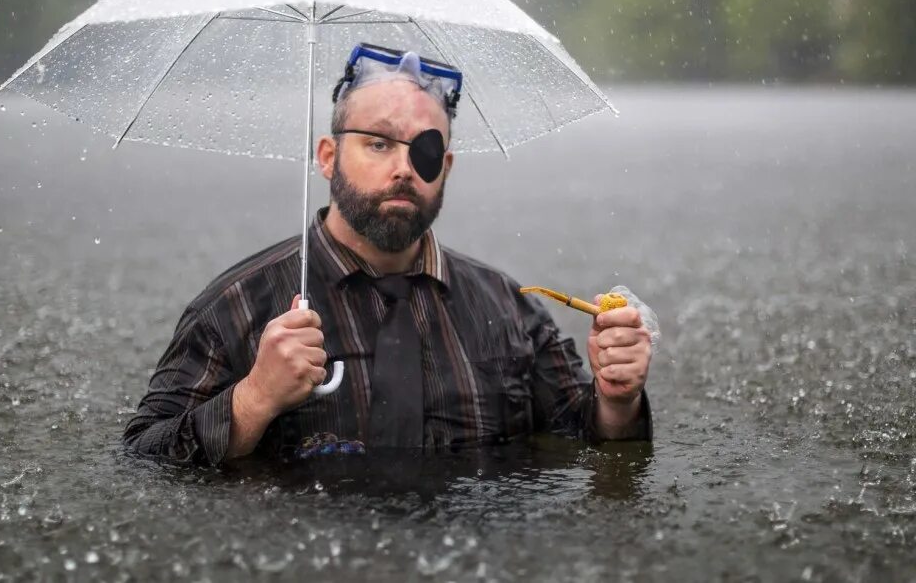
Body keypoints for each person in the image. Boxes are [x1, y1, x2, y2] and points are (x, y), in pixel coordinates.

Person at [123, 43, 653, 467]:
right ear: (328, 157)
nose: (403, 168)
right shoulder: (234, 308)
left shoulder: (509, 309)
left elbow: (590, 441)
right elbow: (144, 455)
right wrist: (254, 398)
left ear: (445, 167)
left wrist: (617, 398)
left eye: (422, 151)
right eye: (378, 144)